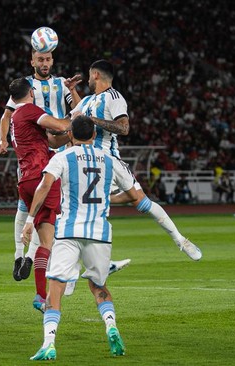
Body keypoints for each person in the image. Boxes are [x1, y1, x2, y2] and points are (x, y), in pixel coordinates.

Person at [0, 49, 130, 284]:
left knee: (58, 209)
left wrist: (72, 91)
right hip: (39, 148)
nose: (45, 63)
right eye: (40, 60)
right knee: (33, 208)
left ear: (52, 61)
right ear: (32, 61)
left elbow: (82, 109)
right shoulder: (25, 87)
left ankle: (35, 258)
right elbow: (6, 116)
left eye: (48, 59)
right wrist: (3, 139)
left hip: (60, 147)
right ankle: (23, 257)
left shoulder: (61, 83)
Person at [22, 116, 138, 360]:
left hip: (69, 231)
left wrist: (30, 219)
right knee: (98, 286)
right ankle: (111, 326)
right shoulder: (110, 159)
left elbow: (44, 186)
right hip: (99, 233)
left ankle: (49, 343)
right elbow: (133, 195)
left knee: (56, 288)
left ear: (71, 136)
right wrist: (107, 198)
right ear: (94, 136)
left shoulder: (63, 157)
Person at [71, 60, 202, 260]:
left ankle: (180, 239)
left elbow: (124, 128)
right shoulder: (87, 100)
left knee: (139, 200)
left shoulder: (114, 98)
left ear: (96, 74)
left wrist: (93, 121)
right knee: (83, 209)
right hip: (85, 161)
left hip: (109, 161)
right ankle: (96, 263)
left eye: (89, 75)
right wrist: (70, 93)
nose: (88, 79)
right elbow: (75, 118)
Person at [8, 77, 73, 312]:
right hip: (41, 176)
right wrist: (77, 119)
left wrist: (69, 134)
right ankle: (70, 275)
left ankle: (40, 296)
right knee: (60, 233)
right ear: (31, 92)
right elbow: (59, 126)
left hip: (25, 179)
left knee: (47, 240)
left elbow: (53, 138)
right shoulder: (29, 111)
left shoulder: (16, 119)